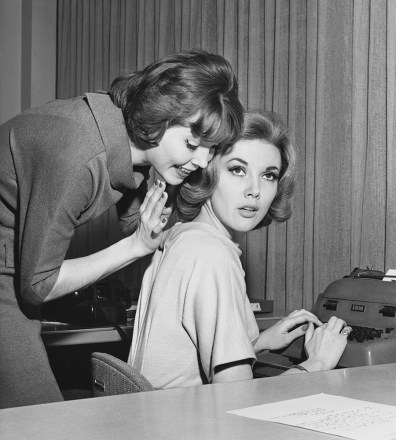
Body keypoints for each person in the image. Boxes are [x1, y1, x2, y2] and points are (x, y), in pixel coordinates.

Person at [0, 48, 244, 408]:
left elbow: (137, 224)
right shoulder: (79, 154)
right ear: (156, 117)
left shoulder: (127, 138)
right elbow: (39, 285)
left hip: (15, 264)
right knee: (39, 420)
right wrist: (134, 248)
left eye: (212, 149)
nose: (202, 161)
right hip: (18, 277)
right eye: (193, 144)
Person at [128, 110, 348, 389]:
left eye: (269, 175)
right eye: (237, 170)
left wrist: (257, 343)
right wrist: (317, 363)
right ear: (206, 172)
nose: (254, 190)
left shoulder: (182, 236)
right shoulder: (211, 254)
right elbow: (237, 400)